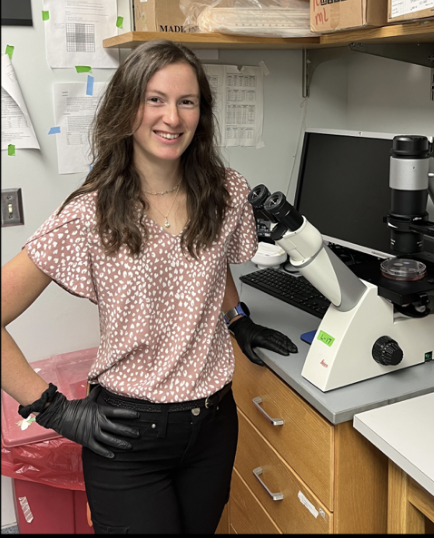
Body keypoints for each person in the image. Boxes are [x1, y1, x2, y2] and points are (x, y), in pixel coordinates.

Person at [1, 39, 297, 534]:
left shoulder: (225, 191)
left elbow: (211, 264)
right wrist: (54, 410)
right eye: (154, 99)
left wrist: (237, 319)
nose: (172, 118)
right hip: (126, 436)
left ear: (202, 112)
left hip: (213, 426)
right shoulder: (91, 213)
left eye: (187, 101)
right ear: (127, 108)